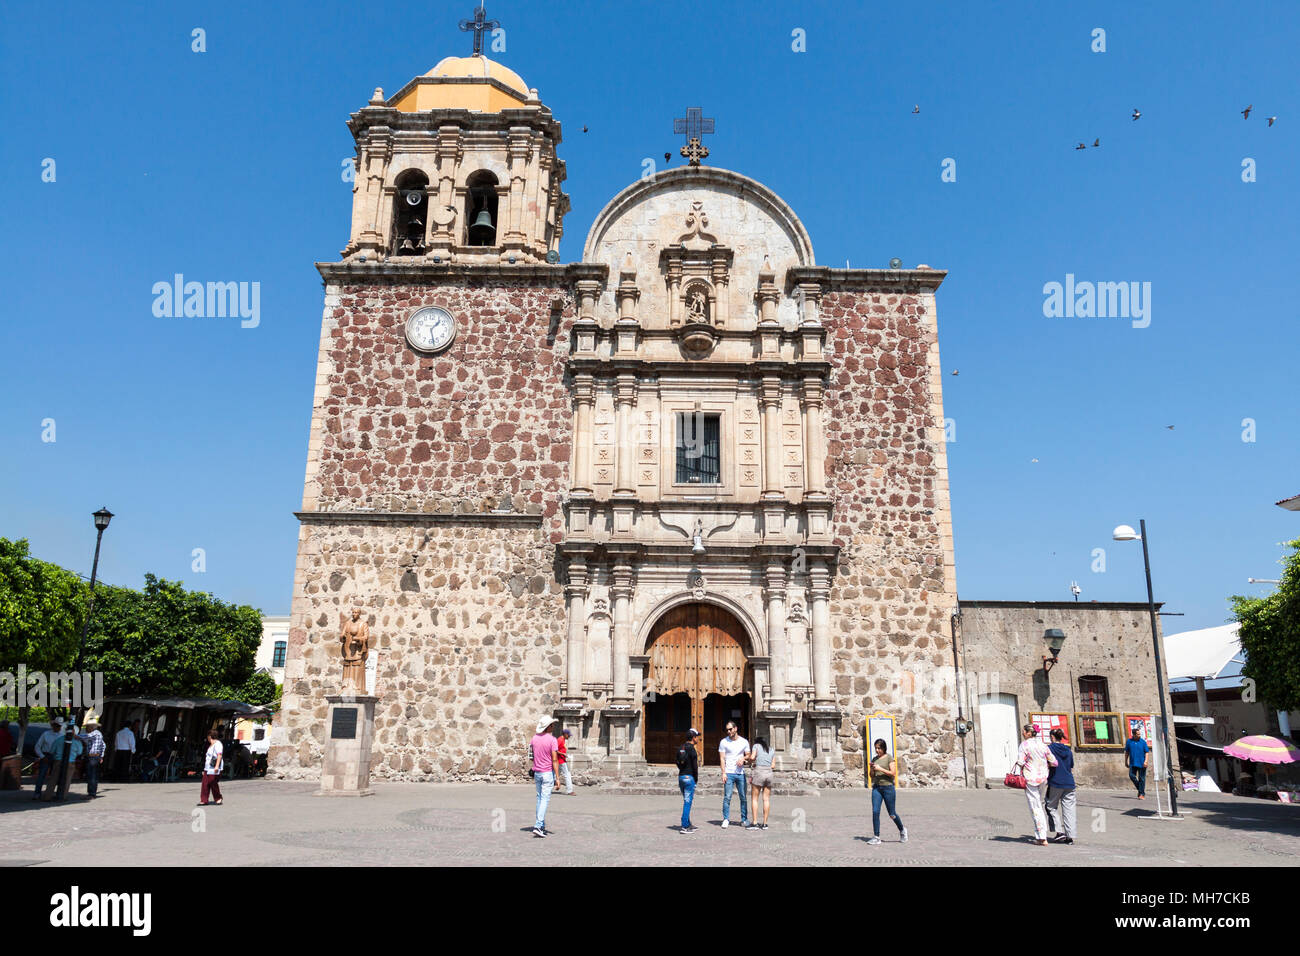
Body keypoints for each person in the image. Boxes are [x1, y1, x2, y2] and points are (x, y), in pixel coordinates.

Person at [1015, 723, 1059, 845]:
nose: (1023, 733)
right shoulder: (1043, 745)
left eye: (1024, 731)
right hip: (1043, 777)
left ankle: (1041, 836)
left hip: (1030, 778)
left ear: (1029, 733)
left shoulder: (1024, 745)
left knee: (1035, 807)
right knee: (1039, 804)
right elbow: (1054, 762)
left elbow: (1020, 761)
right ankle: (1042, 834)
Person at [866, 738, 908, 844]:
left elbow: (893, 773)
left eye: (879, 748)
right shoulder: (874, 759)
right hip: (876, 788)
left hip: (888, 788)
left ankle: (902, 830)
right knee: (875, 811)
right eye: (876, 748)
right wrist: (872, 769)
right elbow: (871, 776)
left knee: (892, 814)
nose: (877, 750)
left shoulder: (889, 758)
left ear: (884, 748)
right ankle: (876, 837)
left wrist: (880, 769)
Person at [1044, 728, 1076, 845]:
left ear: (1052, 737)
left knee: (1050, 806)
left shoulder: (1049, 749)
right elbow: (1071, 766)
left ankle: (1059, 832)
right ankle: (1070, 836)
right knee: (1069, 809)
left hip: (1055, 782)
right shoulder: (1068, 750)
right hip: (1069, 782)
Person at [529, 717, 559, 837]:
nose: (553, 727)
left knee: (539, 798)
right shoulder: (552, 740)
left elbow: (531, 756)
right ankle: (538, 825)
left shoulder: (534, 739)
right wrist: (557, 777)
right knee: (544, 799)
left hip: (537, 772)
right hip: (547, 773)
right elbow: (555, 759)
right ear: (548, 727)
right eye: (552, 725)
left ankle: (540, 825)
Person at [718, 721, 750, 829]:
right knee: (727, 797)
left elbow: (749, 755)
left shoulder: (744, 742)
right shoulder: (723, 742)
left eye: (730, 729)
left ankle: (744, 819)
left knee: (743, 797)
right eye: (727, 730)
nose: (728, 731)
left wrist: (743, 758)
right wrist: (723, 773)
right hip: (729, 772)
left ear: (735, 728)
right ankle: (726, 819)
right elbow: (722, 758)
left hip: (740, 773)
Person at [32, 716, 64, 799]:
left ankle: (51, 792)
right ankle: (37, 793)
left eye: (59, 726)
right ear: (53, 725)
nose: (58, 727)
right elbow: (37, 747)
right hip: (46, 755)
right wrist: (42, 757)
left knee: (55, 776)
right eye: (56, 725)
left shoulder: (62, 735)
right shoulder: (46, 734)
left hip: (57, 756)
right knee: (41, 775)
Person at [675, 728, 700, 833]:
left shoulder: (681, 747)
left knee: (686, 801)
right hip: (689, 778)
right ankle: (684, 826)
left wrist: (682, 771)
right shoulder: (692, 749)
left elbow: (677, 761)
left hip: (681, 777)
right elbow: (695, 766)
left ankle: (688, 823)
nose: (698, 739)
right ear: (693, 738)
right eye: (697, 736)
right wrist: (696, 778)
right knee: (688, 802)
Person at [747, 736, 774, 831]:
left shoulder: (756, 746)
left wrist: (751, 761)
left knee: (755, 799)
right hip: (769, 773)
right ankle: (765, 824)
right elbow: (773, 765)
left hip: (759, 772)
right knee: (766, 799)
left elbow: (752, 757)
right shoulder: (771, 749)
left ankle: (754, 823)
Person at [198, 729, 224, 806]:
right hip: (207, 767)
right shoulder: (210, 745)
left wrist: (216, 766)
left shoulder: (218, 744)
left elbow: (219, 755)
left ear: (210, 736)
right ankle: (204, 799)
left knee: (212, 782)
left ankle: (218, 797)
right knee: (205, 784)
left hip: (214, 768)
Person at [82, 717, 106, 798]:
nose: (86, 729)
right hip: (94, 757)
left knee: (92, 775)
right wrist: (101, 756)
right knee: (93, 775)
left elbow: (85, 737)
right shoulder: (98, 734)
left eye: (87, 727)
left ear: (91, 727)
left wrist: (75, 735)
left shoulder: (95, 733)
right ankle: (91, 792)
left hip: (93, 757)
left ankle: (91, 793)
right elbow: (103, 745)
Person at [1125, 728, 1150, 800]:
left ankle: (1141, 794)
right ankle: (1141, 789)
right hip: (1133, 763)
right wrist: (1126, 761)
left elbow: (1147, 752)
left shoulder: (1143, 742)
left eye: (1140, 734)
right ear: (1134, 734)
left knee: (1142, 778)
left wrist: (1146, 761)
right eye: (1138, 734)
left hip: (1142, 763)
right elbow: (1127, 752)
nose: (1139, 735)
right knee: (1131, 776)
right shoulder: (1129, 741)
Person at [556, 728, 574, 795]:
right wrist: (562, 754)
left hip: (561, 759)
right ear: (565, 734)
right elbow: (554, 750)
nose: (569, 736)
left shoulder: (562, 740)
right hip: (560, 760)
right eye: (568, 735)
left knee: (554, 775)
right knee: (567, 774)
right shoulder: (560, 740)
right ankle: (569, 790)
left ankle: (544, 788)